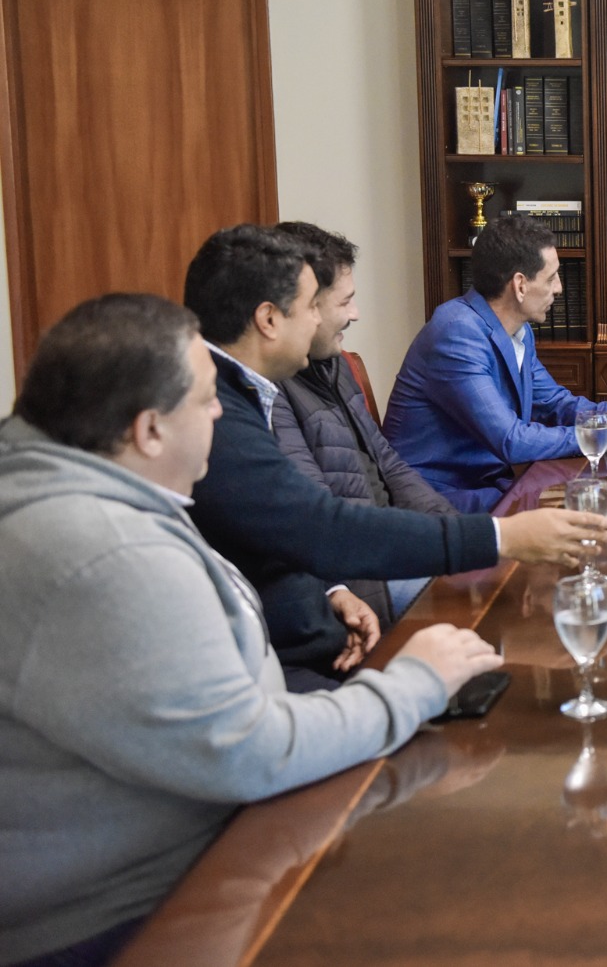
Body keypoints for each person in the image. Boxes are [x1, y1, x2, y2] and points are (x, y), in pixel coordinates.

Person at [0, 294, 504, 967]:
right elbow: (247, 752)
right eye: (210, 399)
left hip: (180, 848)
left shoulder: (87, 488)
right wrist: (412, 683)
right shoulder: (105, 549)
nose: (222, 415)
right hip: (130, 911)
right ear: (149, 429)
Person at [183, 224, 606, 691]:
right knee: (530, 614)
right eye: (322, 306)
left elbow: (378, 472)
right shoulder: (229, 410)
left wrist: (336, 590)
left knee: (534, 601)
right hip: (341, 604)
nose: (354, 315)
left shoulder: (309, 370)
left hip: (352, 577)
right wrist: (494, 538)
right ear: (269, 319)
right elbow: (318, 529)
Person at [384, 214, 607, 510]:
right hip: (438, 500)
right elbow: (511, 440)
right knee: (588, 511)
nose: (559, 289)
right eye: (551, 277)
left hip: (488, 485)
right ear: (520, 285)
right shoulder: (456, 333)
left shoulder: (518, 331)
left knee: (591, 505)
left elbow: (554, 403)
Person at [270, 221, 449, 623]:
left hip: (391, 548)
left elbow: (388, 463)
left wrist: (450, 529)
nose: (356, 314)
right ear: (304, 308)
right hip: (363, 581)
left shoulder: (334, 363)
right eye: (345, 302)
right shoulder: (269, 391)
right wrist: (447, 547)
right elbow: (320, 521)